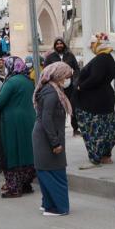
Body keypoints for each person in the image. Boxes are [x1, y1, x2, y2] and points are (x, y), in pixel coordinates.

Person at [0, 56, 37, 198]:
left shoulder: (11, 82)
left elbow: (0, 101)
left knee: (12, 152)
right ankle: (26, 184)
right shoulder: (29, 80)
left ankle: (15, 188)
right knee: (26, 150)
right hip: (29, 119)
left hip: (12, 122)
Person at [32, 62, 74, 216]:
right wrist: (55, 142)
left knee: (47, 171)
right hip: (47, 138)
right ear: (58, 75)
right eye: (66, 76)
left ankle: (48, 204)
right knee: (54, 172)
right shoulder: (51, 92)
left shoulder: (51, 89)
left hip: (45, 136)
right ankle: (58, 207)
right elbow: (47, 118)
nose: (67, 80)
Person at [75, 32, 115, 169]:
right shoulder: (109, 58)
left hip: (93, 102)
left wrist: (81, 86)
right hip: (105, 99)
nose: (91, 46)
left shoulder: (101, 59)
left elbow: (95, 78)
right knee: (107, 129)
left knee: (93, 130)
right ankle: (106, 156)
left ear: (99, 44)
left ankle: (95, 159)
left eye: (93, 44)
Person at [44, 37, 80, 136]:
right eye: (57, 44)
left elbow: (76, 69)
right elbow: (46, 71)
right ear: (55, 46)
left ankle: (75, 129)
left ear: (64, 44)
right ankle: (57, 130)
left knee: (72, 106)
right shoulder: (50, 57)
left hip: (69, 86)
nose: (59, 45)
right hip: (56, 87)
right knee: (58, 108)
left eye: (61, 43)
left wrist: (75, 81)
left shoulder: (70, 56)